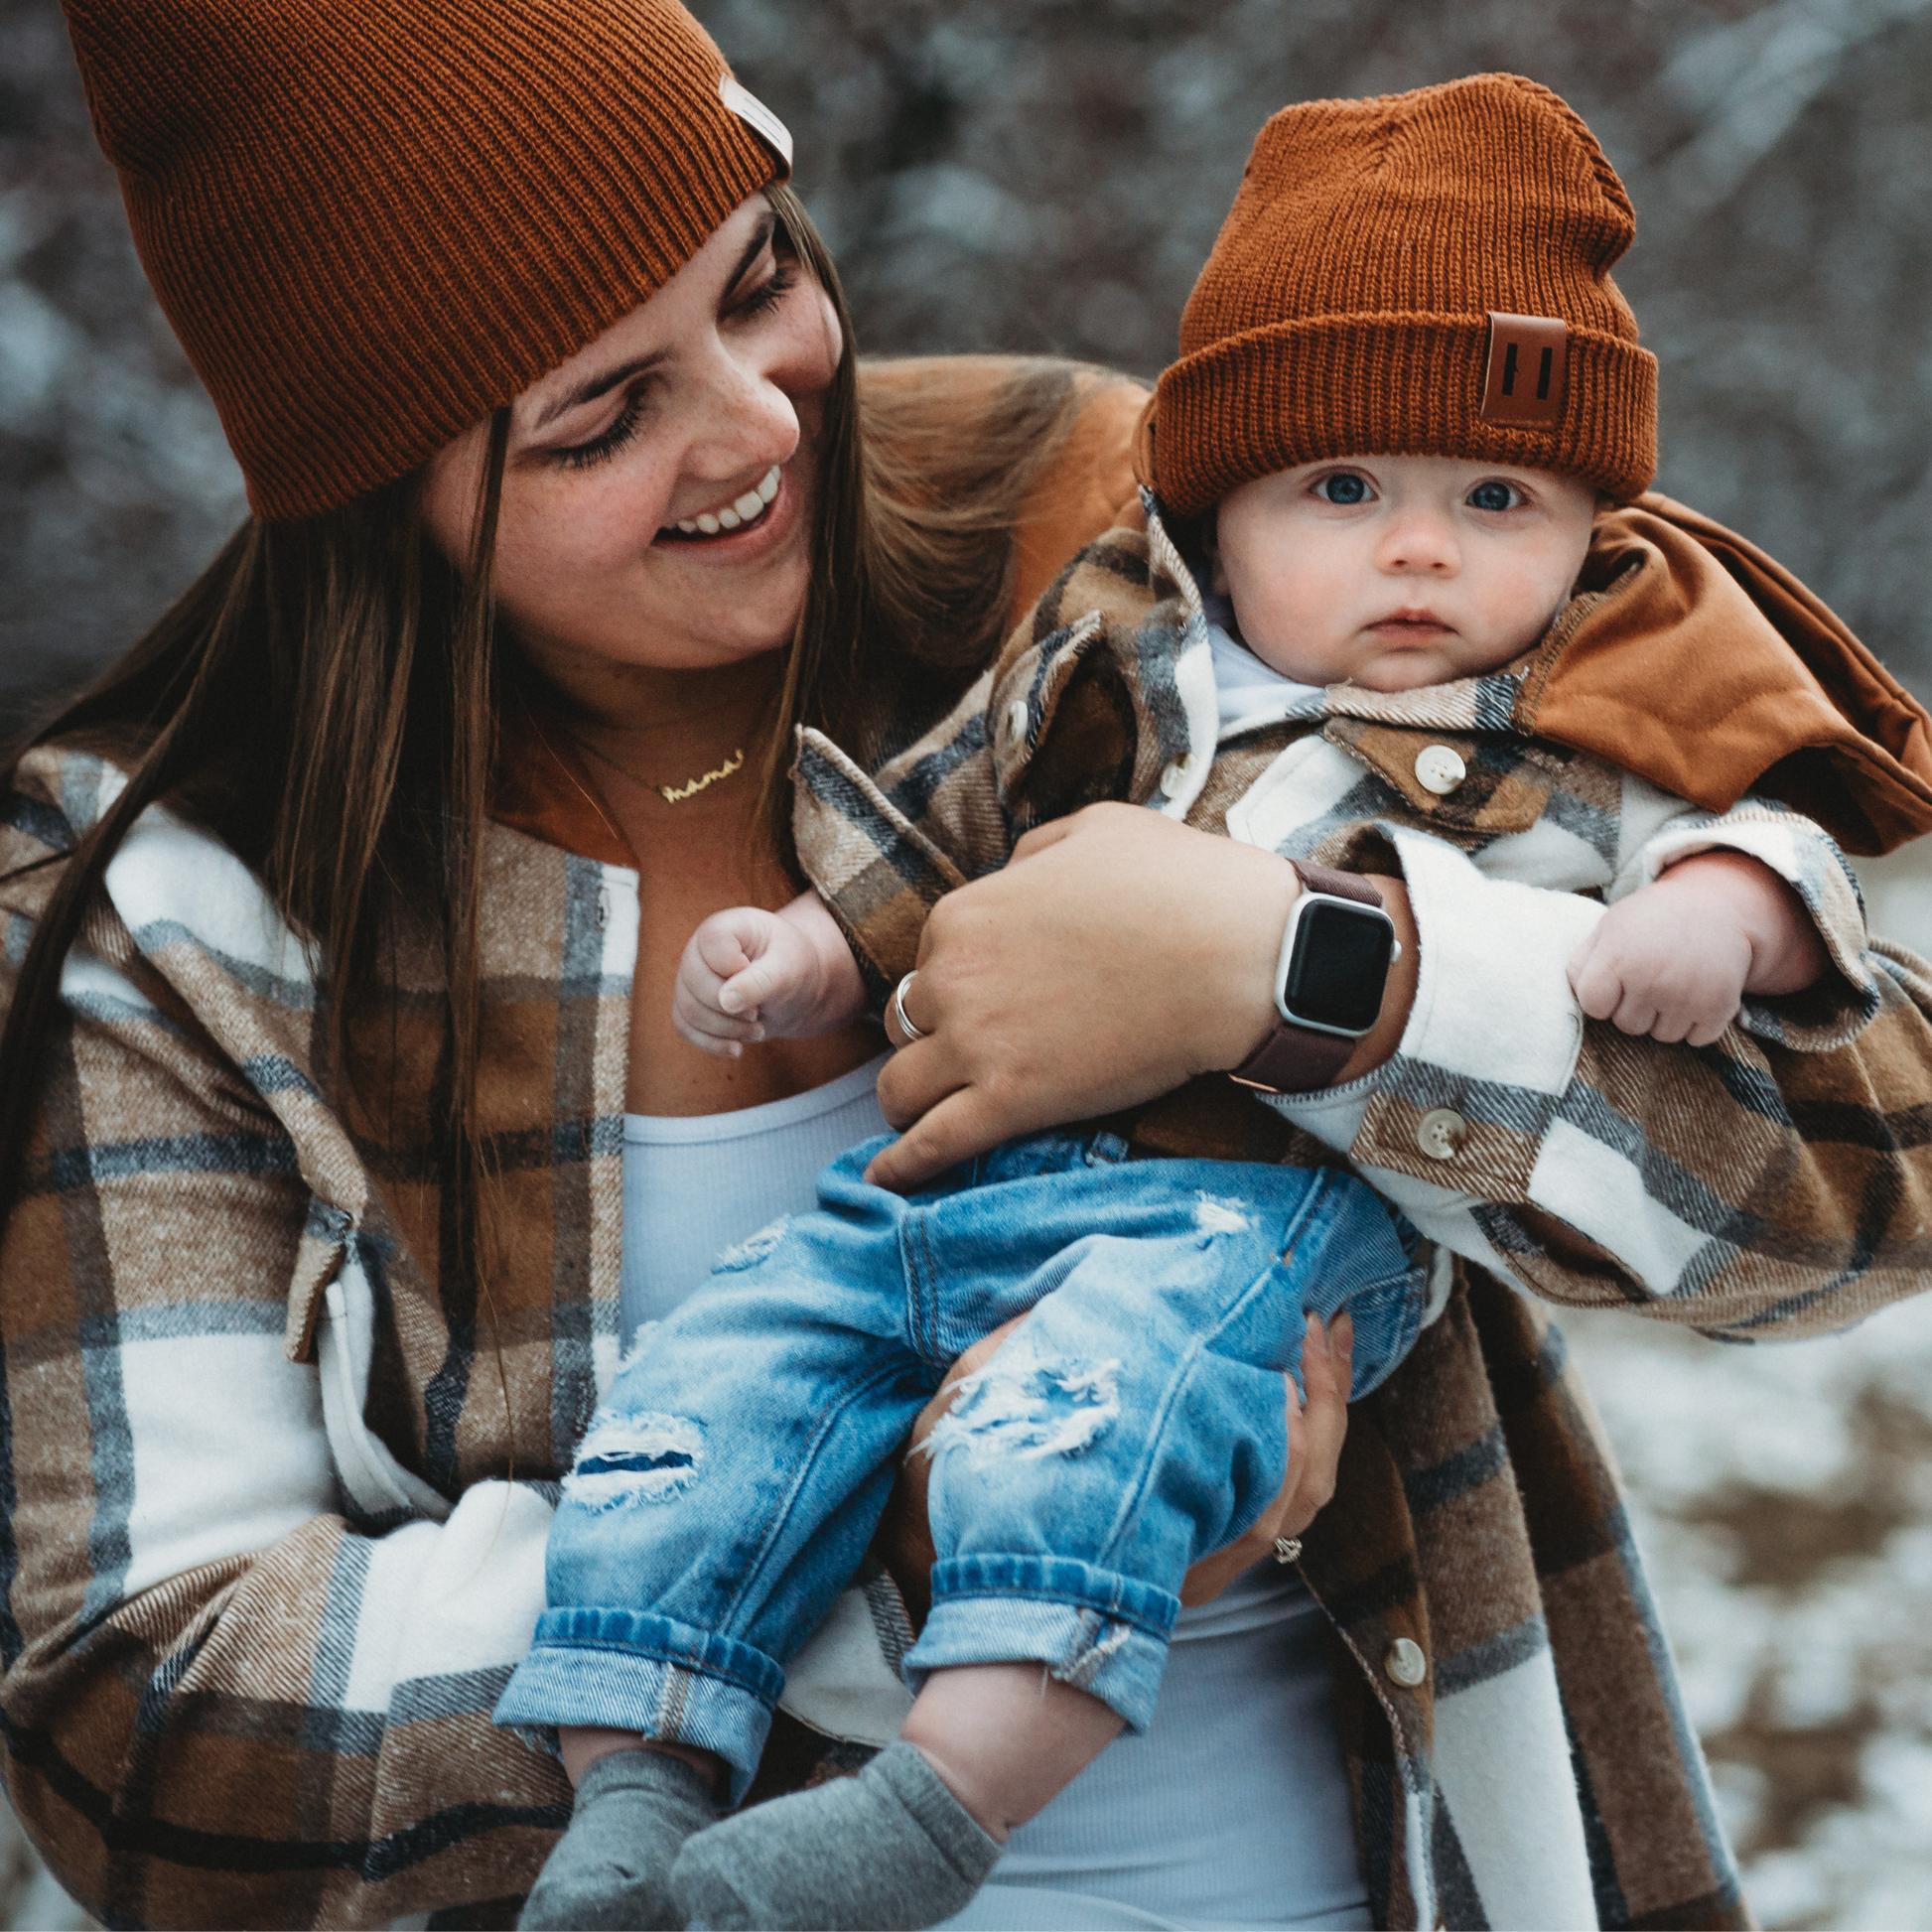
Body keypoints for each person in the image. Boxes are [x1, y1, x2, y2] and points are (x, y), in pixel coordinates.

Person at [2, 6, 1930, 1927]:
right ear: (368, 488)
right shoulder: (171, 914)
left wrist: (1304, 973)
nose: (759, 421)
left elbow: (1867, 1161)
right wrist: (913, 1543)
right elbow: (142, 1713)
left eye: (760, 283)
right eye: (600, 414)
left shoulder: (1117, 544)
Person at [502, 74, 1870, 1932]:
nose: (1417, 549)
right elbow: (945, 822)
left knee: (1091, 1408)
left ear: (1586, 524)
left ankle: (930, 1809)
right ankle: (634, 1791)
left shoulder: (1581, 686)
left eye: (1496, 496)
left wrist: (1717, 912)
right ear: (1217, 503)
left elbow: (1774, 856)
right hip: (968, 1198)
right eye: (1341, 489)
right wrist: (823, 950)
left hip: (1259, 1212)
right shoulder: (1115, 638)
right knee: (734, 1371)